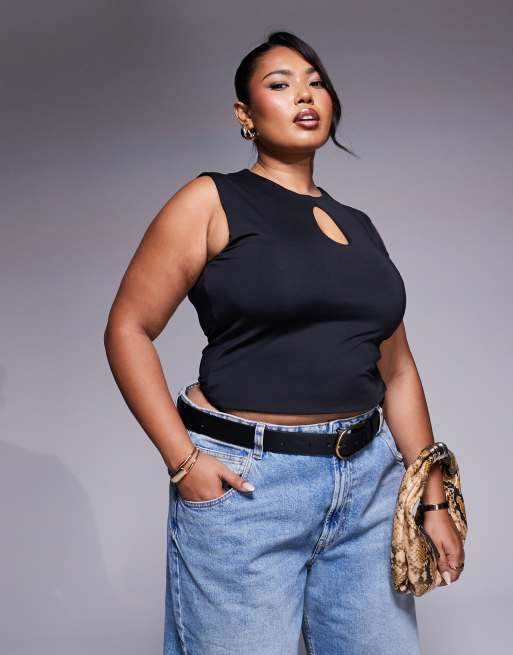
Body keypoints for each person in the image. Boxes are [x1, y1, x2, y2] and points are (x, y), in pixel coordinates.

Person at [104, 30, 465, 655]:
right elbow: (127, 329)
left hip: (367, 485)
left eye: (315, 82)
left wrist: (431, 494)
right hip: (250, 487)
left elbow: (398, 370)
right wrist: (183, 461)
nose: (304, 95)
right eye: (281, 85)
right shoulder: (212, 200)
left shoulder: (360, 227)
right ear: (245, 115)